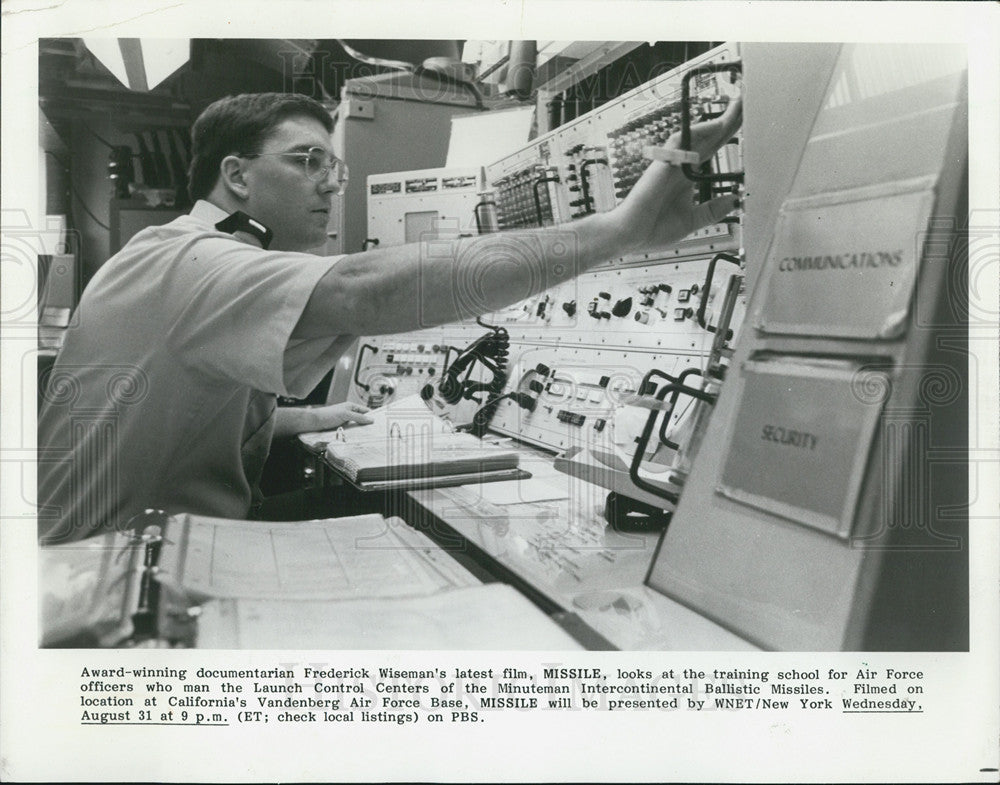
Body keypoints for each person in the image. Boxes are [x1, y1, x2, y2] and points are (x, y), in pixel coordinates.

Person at [37, 91, 742, 543]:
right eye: (307, 160)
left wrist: (310, 419)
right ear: (237, 177)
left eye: (333, 167)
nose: (327, 182)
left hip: (145, 553)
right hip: (116, 585)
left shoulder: (178, 260)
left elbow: (187, 406)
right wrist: (617, 231)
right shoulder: (188, 262)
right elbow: (365, 290)